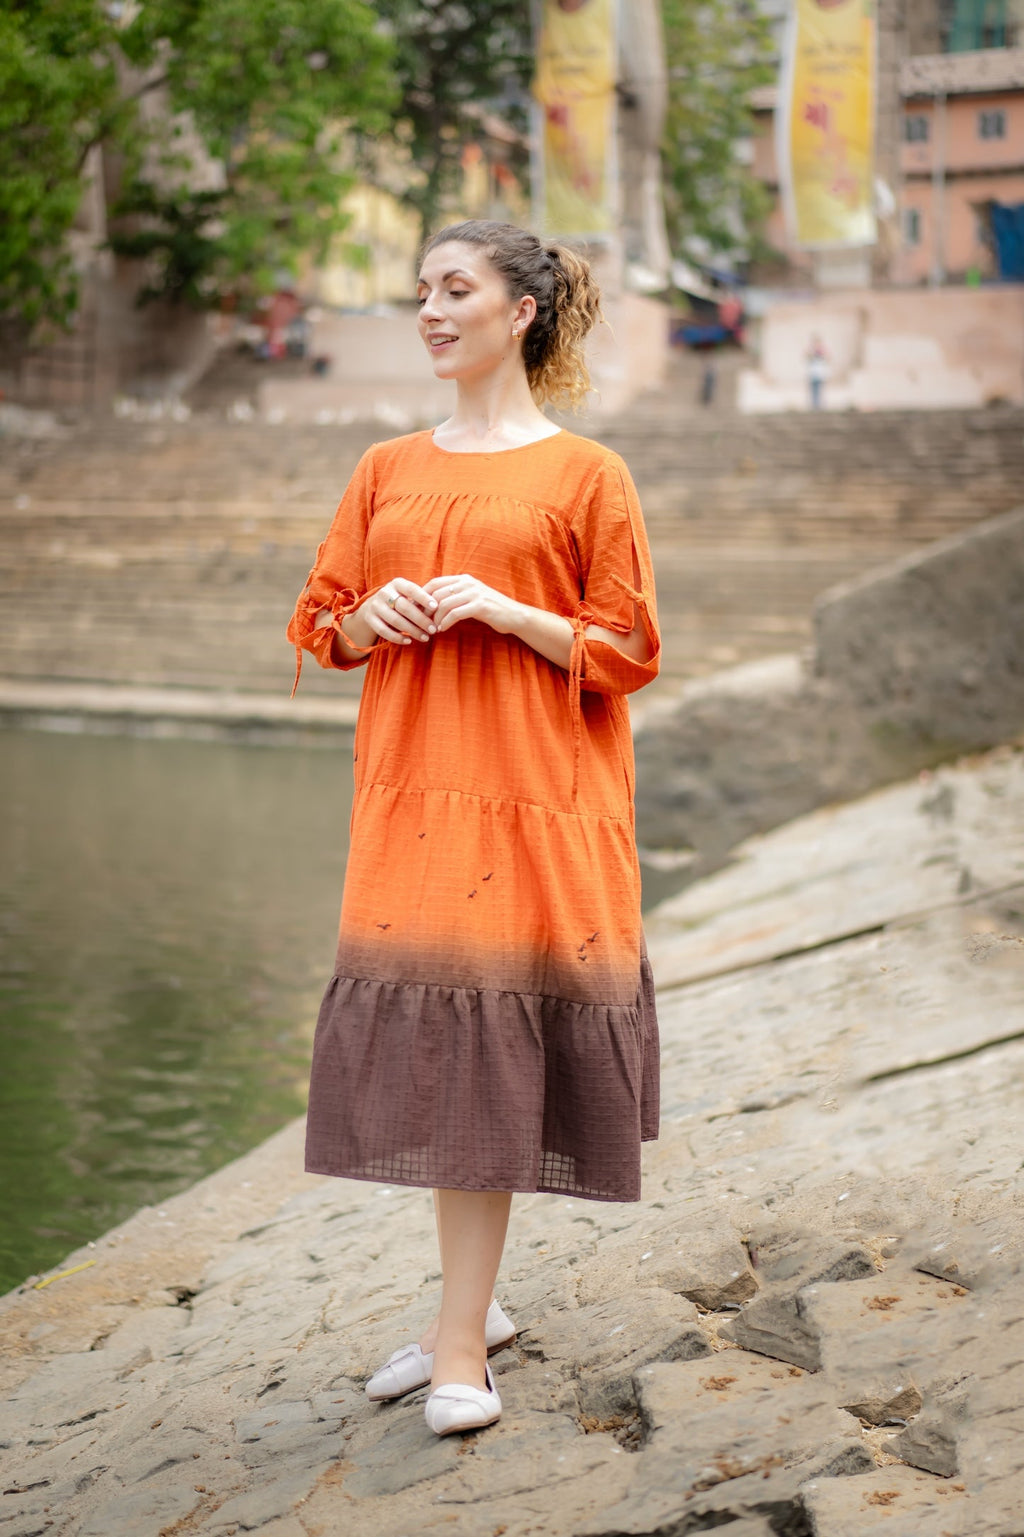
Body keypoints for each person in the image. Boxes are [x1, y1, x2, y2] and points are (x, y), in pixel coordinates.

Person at [286, 220, 661, 1439]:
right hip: (413, 791)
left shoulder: (588, 474)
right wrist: (373, 618)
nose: (431, 311)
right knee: (447, 1047)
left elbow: (626, 648)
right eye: (421, 292)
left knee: (486, 1044)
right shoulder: (385, 467)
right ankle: (472, 1309)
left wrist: (506, 610)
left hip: (537, 792)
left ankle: (460, 1343)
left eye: (456, 289)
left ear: (523, 310)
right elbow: (322, 621)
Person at [806, 333, 829, 411]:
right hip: (813, 373)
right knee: (813, 390)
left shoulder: (822, 351)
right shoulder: (811, 351)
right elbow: (807, 356)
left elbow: (827, 358)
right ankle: (814, 404)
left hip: (820, 373)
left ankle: (819, 404)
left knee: (819, 389)